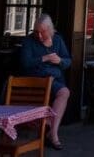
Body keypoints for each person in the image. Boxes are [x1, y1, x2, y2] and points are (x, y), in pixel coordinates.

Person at [19, 14, 72, 150]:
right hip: (35, 80)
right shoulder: (29, 41)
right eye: (36, 32)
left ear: (50, 30)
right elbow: (25, 63)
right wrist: (44, 58)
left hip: (54, 81)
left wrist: (60, 61)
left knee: (64, 92)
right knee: (60, 89)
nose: (39, 36)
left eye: (42, 32)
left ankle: (52, 132)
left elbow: (68, 61)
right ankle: (50, 130)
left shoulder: (58, 40)